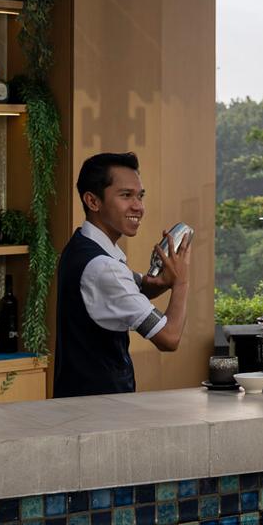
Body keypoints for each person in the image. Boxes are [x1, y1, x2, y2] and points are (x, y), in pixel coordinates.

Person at [54, 151, 194, 398]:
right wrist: (182, 281)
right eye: (126, 195)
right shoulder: (104, 268)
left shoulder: (80, 246)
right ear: (93, 201)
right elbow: (169, 339)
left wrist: (162, 283)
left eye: (140, 196)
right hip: (101, 414)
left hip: (76, 406)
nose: (138, 207)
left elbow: (129, 290)